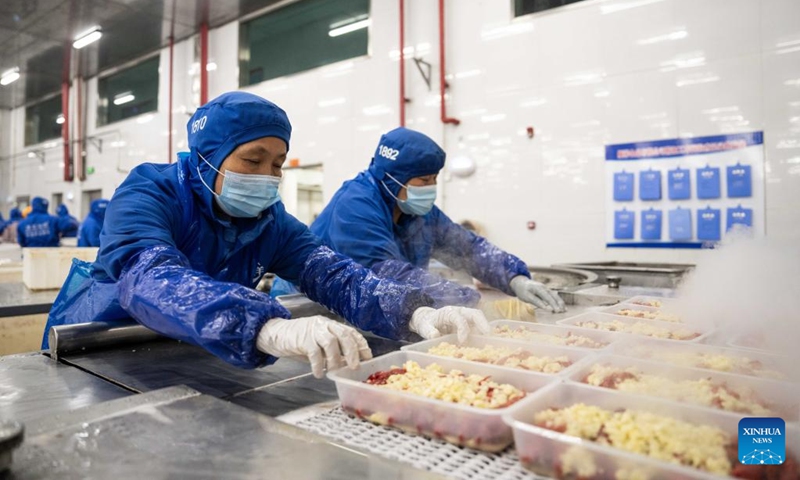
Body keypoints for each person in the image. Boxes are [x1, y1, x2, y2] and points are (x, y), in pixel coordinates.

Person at [44, 92, 489, 378]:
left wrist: (415, 313)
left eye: (277, 164)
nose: (267, 175)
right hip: (97, 353)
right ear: (207, 158)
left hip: (198, 351)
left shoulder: (269, 221)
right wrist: (267, 325)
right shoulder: (148, 193)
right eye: (253, 160)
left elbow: (333, 274)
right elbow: (150, 278)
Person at [274, 127, 565, 314]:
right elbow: (384, 273)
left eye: (435, 179)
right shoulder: (356, 203)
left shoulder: (417, 210)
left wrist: (514, 279)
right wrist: (469, 300)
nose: (430, 188)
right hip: (309, 308)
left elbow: (466, 247)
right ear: (392, 177)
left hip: (375, 309)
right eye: (423, 179)